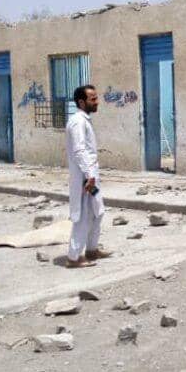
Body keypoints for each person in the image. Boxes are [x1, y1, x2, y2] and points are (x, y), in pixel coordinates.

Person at [65, 84, 111, 267]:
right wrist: (89, 175)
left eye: (96, 98)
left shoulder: (84, 120)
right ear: (81, 102)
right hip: (85, 178)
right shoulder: (77, 121)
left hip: (90, 177)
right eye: (93, 99)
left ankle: (92, 250)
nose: (97, 102)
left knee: (97, 212)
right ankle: (74, 257)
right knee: (83, 216)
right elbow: (79, 150)